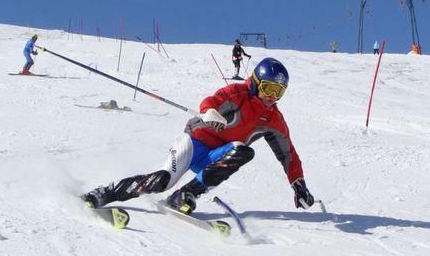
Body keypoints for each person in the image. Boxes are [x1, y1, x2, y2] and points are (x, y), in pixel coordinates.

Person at [81, 58, 315, 215]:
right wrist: (210, 112)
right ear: (255, 83)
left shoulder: (273, 118)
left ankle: (185, 195)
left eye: (279, 92)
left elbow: (288, 153)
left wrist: (298, 183)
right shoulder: (238, 93)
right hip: (194, 143)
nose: (272, 97)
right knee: (162, 181)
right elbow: (213, 101)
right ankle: (106, 192)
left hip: (216, 157)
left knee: (244, 151)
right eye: (268, 89)